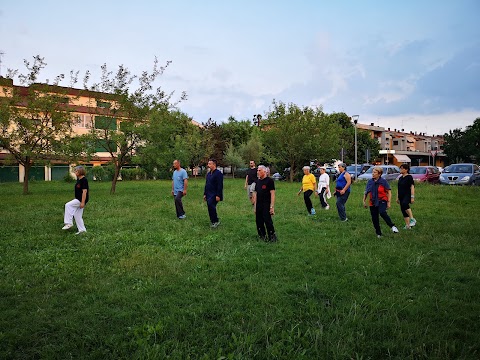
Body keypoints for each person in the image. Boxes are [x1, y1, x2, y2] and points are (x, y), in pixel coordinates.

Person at [363, 166, 399, 237]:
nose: (373, 174)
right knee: (374, 218)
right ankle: (378, 233)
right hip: (372, 201)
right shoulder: (370, 182)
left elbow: (389, 191)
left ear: (379, 174)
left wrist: (389, 202)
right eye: (372, 172)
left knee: (382, 212)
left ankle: (392, 226)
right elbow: (366, 192)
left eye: (375, 172)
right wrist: (364, 201)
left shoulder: (383, 181)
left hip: (382, 200)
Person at [253, 165, 277, 242]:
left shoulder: (269, 181)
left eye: (259, 170)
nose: (258, 172)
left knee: (267, 220)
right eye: (257, 170)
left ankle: (272, 236)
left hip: (266, 204)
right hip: (259, 204)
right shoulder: (258, 181)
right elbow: (256, 194)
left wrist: (272, 206)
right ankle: (262, 236)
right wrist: (255, 206)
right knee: (259, 221)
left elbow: (272, 193)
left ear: (264, 171)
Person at [62, 165, 89, 235]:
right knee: (77, 215)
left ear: (80, 171)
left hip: (80, 200)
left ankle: (68, 223)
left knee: (68, 205)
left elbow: (84, 191)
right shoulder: (78, 179)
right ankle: (82, 230)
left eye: (76, 171)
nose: (75, 172)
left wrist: (82, 202)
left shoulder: (84, 180)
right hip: (78, 199)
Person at [203, 159, 223, 228]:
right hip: (208, 193)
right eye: (208, 164)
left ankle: (215, 221)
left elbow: (220, 185)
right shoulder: (208, 174)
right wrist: (205, 194)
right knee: (209, 206)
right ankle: (212, 220)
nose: (208, 165)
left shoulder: (218, 173)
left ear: (214, 164)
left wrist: (218, 195)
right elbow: (206, 184)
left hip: (214, 194)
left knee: (211, 205)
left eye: (210, 164)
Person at [396, 163, 416, 229]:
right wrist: (397, 197)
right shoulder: (400, 178)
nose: (400, 170)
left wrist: (412, 196)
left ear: (406, 170)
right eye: (400, 168)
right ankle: (408, 225)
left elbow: (412, 187)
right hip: (401, 195)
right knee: (403, 210)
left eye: (402, 168)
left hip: (407, 194)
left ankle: (412, 219)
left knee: (405, 204)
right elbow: (398, 188)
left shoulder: (409, 177)